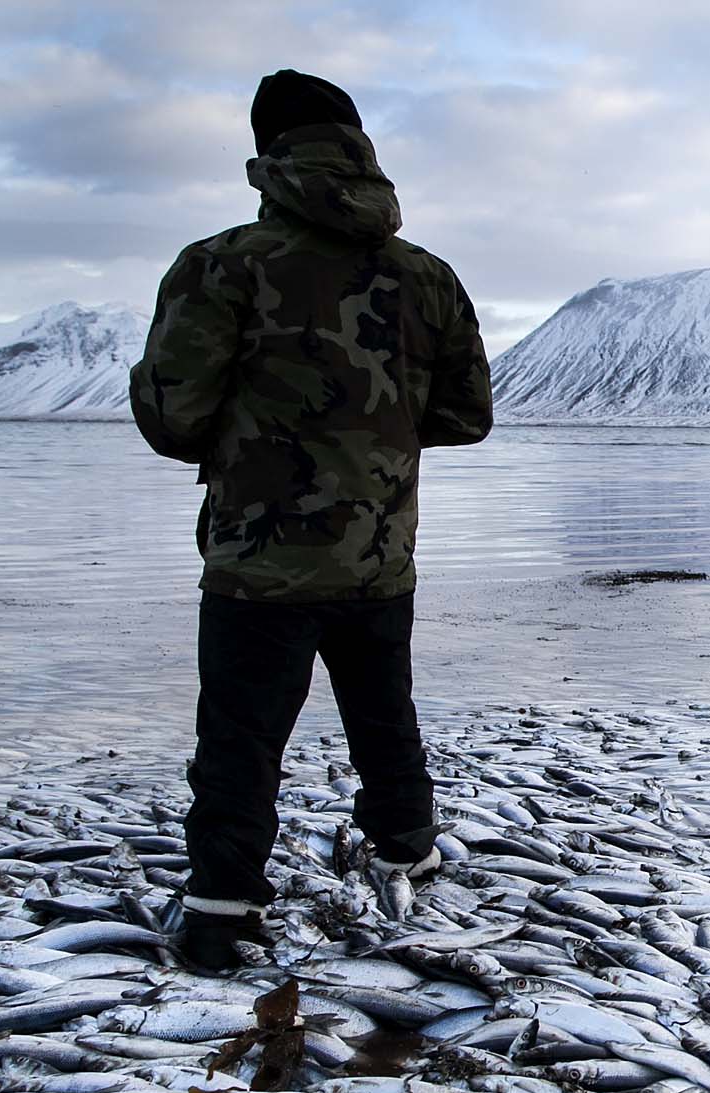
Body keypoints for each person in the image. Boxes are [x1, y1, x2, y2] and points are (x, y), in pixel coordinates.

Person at [130, 68, 492, 971]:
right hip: (379, 554)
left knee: (242, 736)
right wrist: (373, 447)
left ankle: (221, 911)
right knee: (383, 713)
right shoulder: (428, 277)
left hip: (260, 559)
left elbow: (174, 419)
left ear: (267, 154)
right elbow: (466, 416)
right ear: (358, 145)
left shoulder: (221, 265)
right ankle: (408, 848)